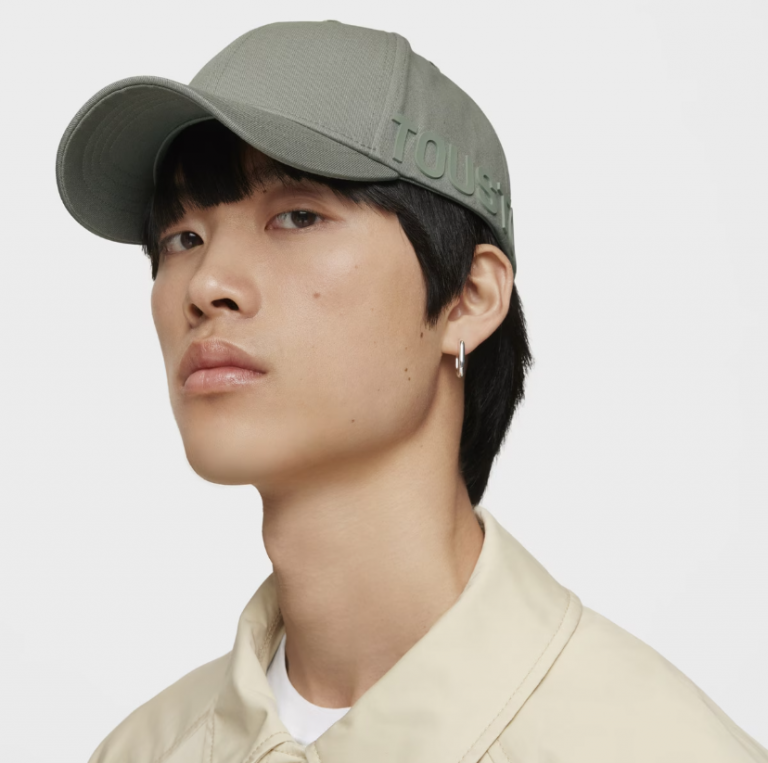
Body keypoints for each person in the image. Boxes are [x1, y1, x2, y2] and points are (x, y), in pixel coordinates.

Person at [55, 19, 767, 763]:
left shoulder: (653, 747)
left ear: (468, 297)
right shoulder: (141, 749)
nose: (206, 286)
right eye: (182, 239)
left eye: (297, 216)